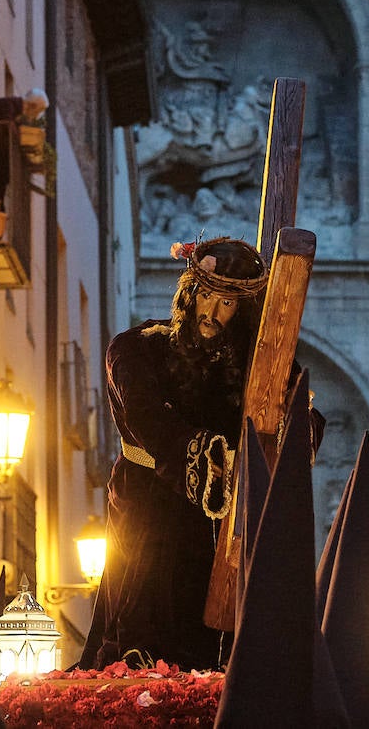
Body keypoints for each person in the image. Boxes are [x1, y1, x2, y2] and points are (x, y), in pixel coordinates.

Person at [80, 236, 322, 671]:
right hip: (149, 510)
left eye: (226, 303)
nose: (210, 313)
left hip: (225, 531)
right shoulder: (138, 349)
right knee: (144, 632)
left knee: (223, 647)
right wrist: (208, 458)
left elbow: (300, 421)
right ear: (189, 292)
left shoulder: (256, 368)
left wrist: (287, 418)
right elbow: (147, 420)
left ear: (242, 311)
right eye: (206, 296)